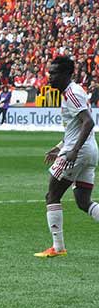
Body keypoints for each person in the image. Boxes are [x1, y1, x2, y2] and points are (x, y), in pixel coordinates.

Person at [35, 56, 99, 258]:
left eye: (53, 73)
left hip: (78, 152)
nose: (50, 77)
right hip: (89, 150)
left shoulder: (71, 93)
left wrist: (72, 150)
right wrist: (59, 147)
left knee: (52, 195)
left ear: (65, 75)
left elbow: (88, 122)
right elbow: (76, 127)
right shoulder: (74, 92)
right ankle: (58, 247)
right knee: (83, 201)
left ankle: (58, 247)